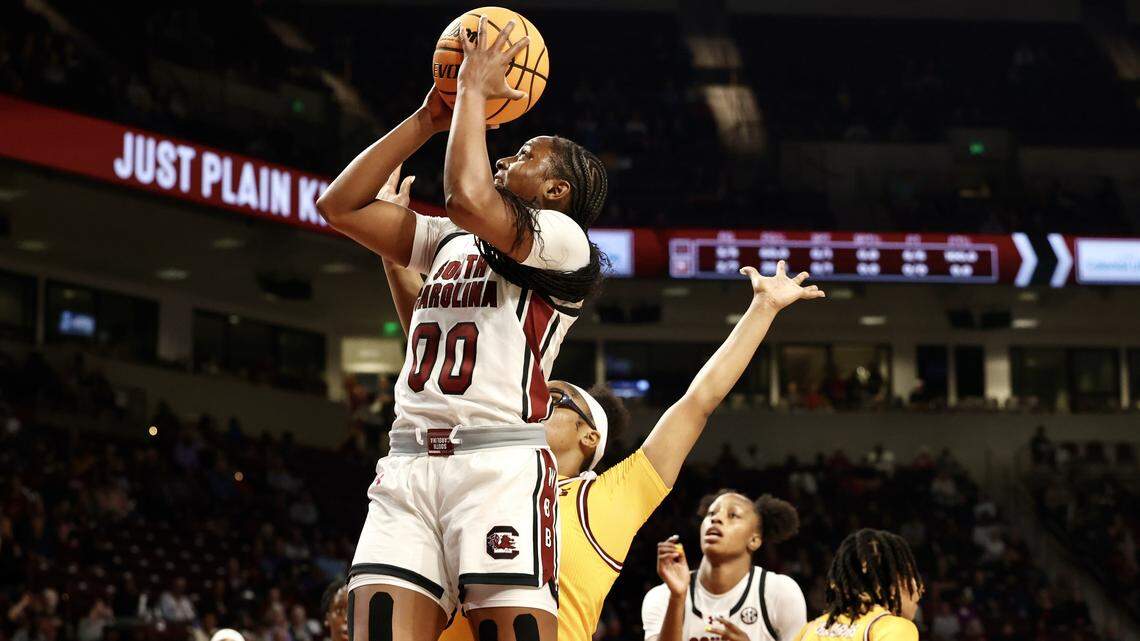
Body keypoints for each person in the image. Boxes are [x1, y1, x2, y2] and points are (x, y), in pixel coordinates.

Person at [376, 173, 825, 641]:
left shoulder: (609, 500)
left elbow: (697, 402)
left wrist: (763, 309)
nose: (534, 397)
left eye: (553, 398)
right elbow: (434, 352)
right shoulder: (478, 467)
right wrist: (394, 251)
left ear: (590, 436)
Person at [317, 16, 610, 641]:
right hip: (409, 461)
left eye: (527, 154)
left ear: (557, 190)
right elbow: (339, 207)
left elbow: (467, 197)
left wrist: (473, 94)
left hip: (496, 466)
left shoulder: (563, 241)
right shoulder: (452, 241)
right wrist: (429, 117)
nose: (509, 153)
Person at [643, 492, 807, 641]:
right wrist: (677, 597)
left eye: (733, 515)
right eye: (711, 514)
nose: (716, 519)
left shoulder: (779, 592)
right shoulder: (663, 595)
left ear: (754, 540)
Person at [791, 529, 923, 641]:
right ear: (893, 585)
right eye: (910, 575)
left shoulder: (811, 629)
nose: (921, 587)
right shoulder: (894, 629)